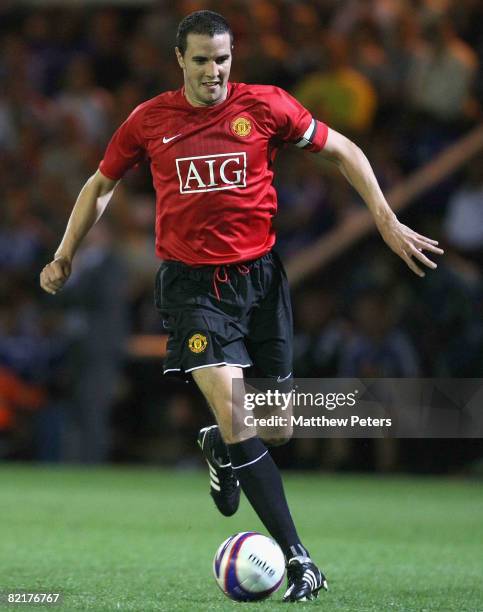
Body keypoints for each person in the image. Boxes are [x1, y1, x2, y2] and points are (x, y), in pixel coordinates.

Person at [40, 10, 443, 602]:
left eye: (222, 59)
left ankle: (221, 448)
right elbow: (101, 185)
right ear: (180, 60)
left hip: (260, 282)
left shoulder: (266, 106)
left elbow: (344, 149)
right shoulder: (150, 120)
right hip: (192, 289)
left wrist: (384, 218)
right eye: (201, 59)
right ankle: (301, 558)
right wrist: (64, 253)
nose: (213, 71)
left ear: (234, 58)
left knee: (273, 429)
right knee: (239, 415)